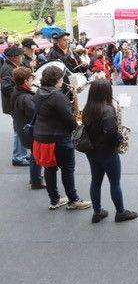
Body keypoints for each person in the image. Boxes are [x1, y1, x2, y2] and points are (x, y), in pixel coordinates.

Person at [33, 66, 91, 210]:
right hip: (59, 137)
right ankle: (73, 200)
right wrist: (77, 127)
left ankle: (54, 200)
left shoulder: (38, 93)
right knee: (67, 170)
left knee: (49, 169)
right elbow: (69, 119)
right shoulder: (58, 96)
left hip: (41, 137)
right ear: (58, 80)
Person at [82, 79, 138, 223]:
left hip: (92, 151)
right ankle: (120, 212)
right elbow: (111, 133)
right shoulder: (108, 109)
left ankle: (97, 212)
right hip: (107, 152)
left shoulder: (88, 108)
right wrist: (119, 141)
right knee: (115, 182)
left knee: (96, 181)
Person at [10, 67, 45, 189]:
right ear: (25, 81)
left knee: (35, 155)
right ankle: (36, 181)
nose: (32, 81)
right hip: (30, 131)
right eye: (31, 79)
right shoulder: (25, 97)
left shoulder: (18, 92)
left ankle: (35, 178)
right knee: (36, 156)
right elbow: (35, 113)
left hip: (23, 128)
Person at [1, 45, 30, 166]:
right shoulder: (8, 69)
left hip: (14, 103)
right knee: (19, 129)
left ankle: (20, 154)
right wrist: (20, 96)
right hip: (14, 104)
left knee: (19, 129)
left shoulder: (12, 66)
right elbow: (6, 88)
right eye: (20, 55)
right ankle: (19, 156)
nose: (22, 57)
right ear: (14, 57)